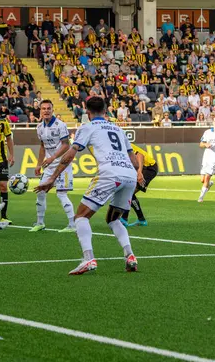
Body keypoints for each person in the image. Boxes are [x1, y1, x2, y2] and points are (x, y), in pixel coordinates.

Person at [34, 97, 140, 275]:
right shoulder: (118, 129)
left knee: (81, 217)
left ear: (87, 113)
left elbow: (69, 155)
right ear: (105, 111)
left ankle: (88, 258)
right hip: (129, 175)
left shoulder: (88, 127)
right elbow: (135, 162)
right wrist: (136, 176)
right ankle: (130, 255)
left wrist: (52, 178)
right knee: (113, 219)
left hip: (109, 174)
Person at [31, 100, 75, 233]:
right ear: (40, 111)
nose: (46, 111)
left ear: (52, 110)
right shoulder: (39, 127)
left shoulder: (60, 125)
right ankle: (40, 223)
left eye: (48, 108)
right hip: (49, 166)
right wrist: (39, 164)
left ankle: (72, 225)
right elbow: (42, 146)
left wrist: (52, 158)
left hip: (63, 164)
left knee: (61, 194)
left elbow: (66, 145)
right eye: (43, 108)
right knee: (41, 192)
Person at [120, 143, 158, 227]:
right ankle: (136, 219)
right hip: (139, 168)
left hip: (148, 167)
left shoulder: (122, 144)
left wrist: (139, 172)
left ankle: (126, 219)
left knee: (128, 193)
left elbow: (139, 155)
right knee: (128, 193)